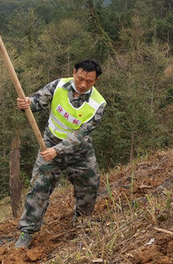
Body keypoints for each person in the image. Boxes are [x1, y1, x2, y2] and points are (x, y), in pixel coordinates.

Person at [14, 59, 106, 249]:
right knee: (39, 189)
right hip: (49, 144)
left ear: (95, 81)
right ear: (74, 73)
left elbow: (81, 134)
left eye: (88, 81)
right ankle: (27, 232)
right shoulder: (58, 86)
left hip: (79, 151)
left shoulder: (98, 104)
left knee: (90, 185)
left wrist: (57, 151)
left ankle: (82, 223)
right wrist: (27, 103)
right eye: (80, 78)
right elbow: (37, 101)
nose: (82, 84)